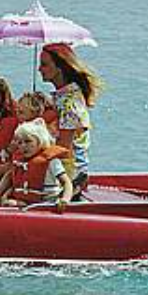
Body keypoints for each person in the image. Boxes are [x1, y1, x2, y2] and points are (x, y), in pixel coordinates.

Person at [37, 42, 104, 192]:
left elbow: (64, 149)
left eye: (44, 64)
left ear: (60, 68)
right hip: (61, 168)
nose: (39, 69)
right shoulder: (62, 97)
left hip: (69, 176)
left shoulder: (69, 104)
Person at [0, 119, 73, 211]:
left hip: (48, 202)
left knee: (12, 204)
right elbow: (9, 177)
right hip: (26, 202)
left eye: (28, 141)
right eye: (20, 143)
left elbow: (66, 182)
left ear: (40, 141)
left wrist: (65, 200)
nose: (23, 146)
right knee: (9, 203)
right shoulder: (19, 162)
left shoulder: (51, 161)